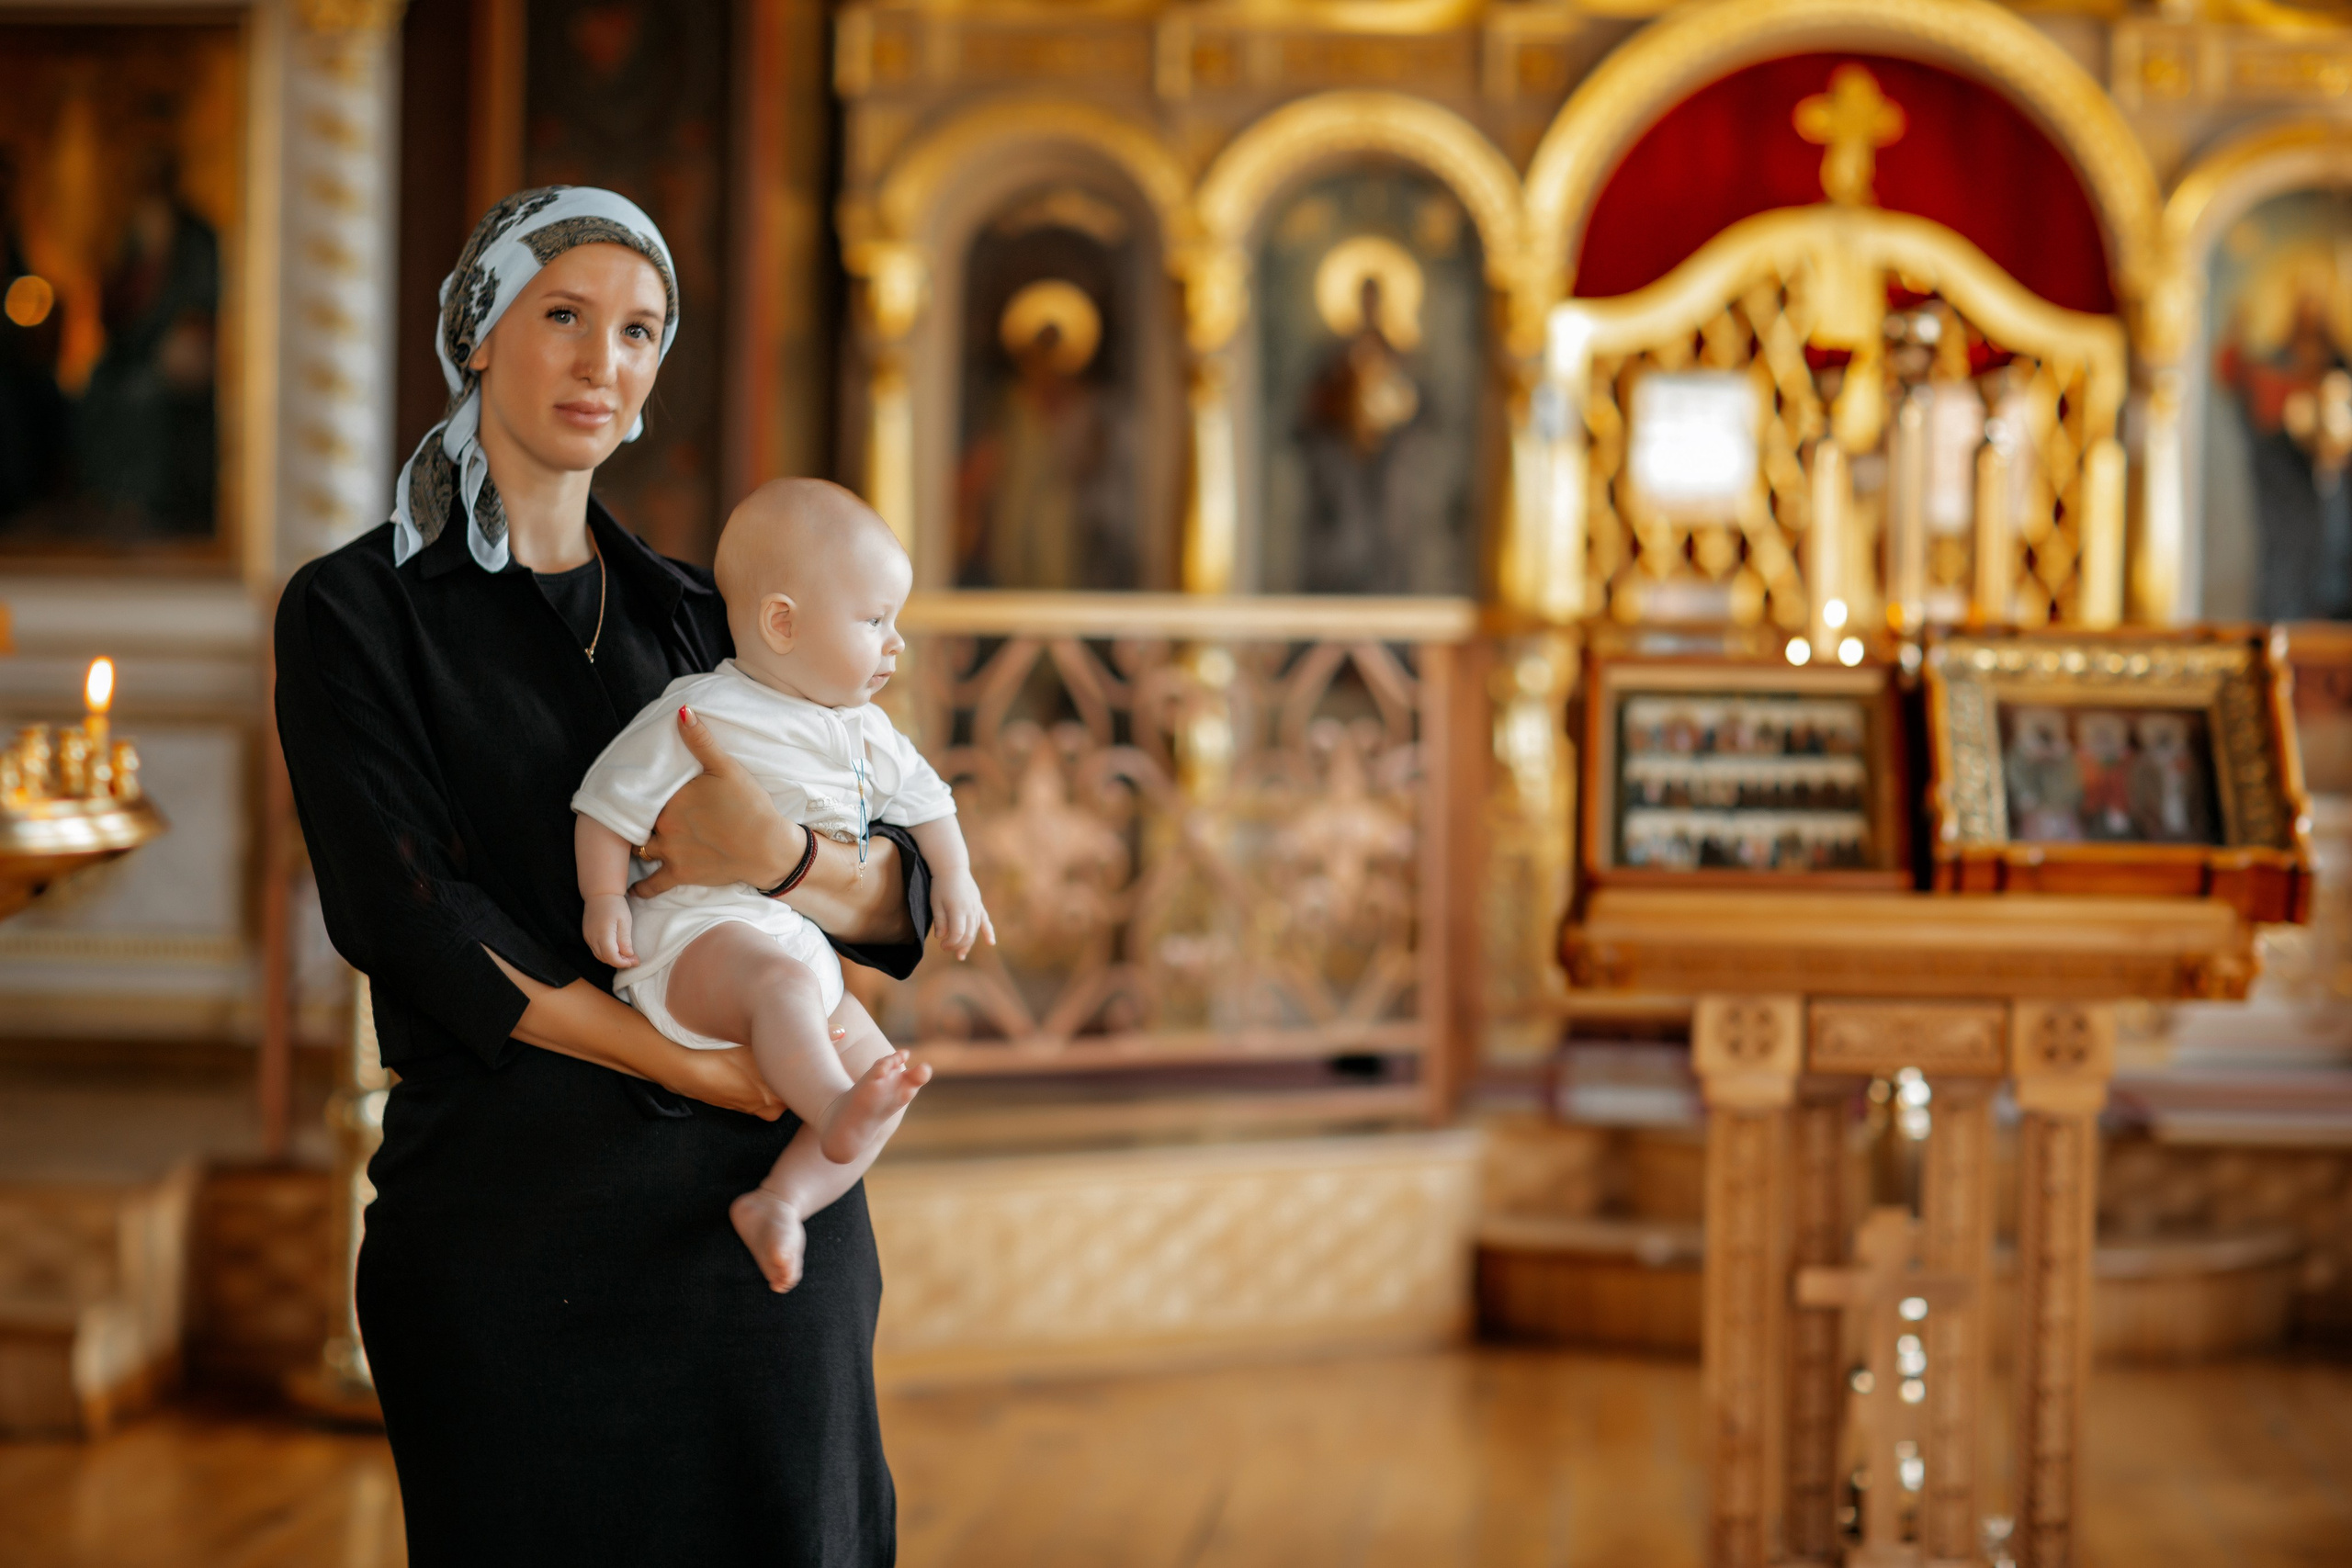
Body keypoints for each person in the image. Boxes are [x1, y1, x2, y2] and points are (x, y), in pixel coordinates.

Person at [274, 187, 916, 1564]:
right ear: (478, 332)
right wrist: (679, 1061)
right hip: (514, 1225)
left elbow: (901, 895)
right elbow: (409, 914)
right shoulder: (356, 609)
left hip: (759, 1248)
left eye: (637, 331)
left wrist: (793, 861)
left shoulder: (708, 611)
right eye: (561, 315)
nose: (599, 361)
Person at [572, 479, 993, 1292]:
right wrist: (603, 896)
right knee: (780, 991)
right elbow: (605, 803)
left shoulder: (868, 731)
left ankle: (783, 1201)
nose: (897, 643)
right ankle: (832, 1109)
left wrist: (958, 876)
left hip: (793, 946)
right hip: (696, 939)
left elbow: (929, 801)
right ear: (782, 623)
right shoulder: (703, 713)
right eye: (875, 621)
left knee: (882, 1070)